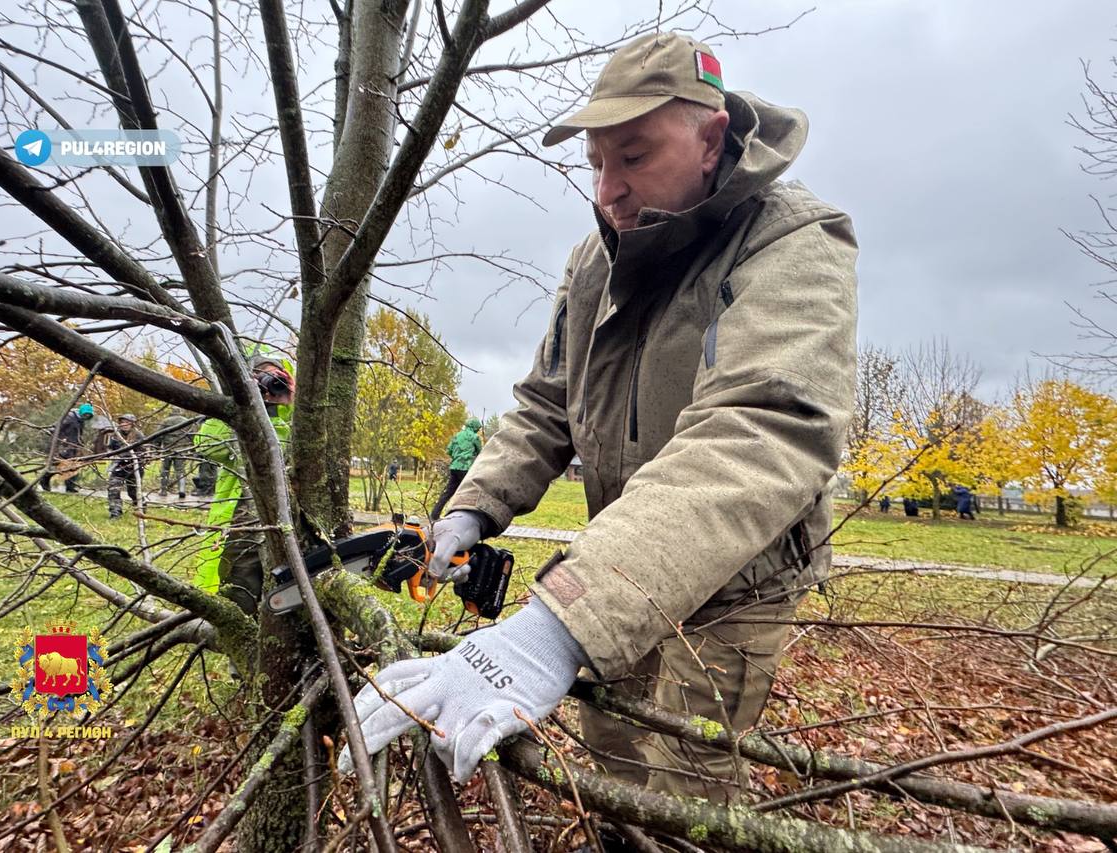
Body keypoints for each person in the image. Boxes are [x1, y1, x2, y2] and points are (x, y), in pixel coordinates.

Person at [343, 32, 858, 813]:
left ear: (712, 138)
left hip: (736, 579)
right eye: (595, 163)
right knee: (609, 752)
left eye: (635, 157)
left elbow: (762, 429)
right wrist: (471, 511)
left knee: (687, 777)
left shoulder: (791, 240)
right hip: (622, 551)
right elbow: (548, 402)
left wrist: (552, 628)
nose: (607, 189)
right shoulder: (596, 258)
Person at [192, 349, 294, 612]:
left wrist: (291, 400)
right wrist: (234, 403)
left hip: (289, 529)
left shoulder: (296, 427)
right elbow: (205, 445)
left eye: (276, 378)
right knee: (240, 598)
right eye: (262, 378)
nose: (270, 385)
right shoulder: (239, 426)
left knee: (286, 599)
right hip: (243, 527)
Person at [428, 418, 483, 520]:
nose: (478, 430)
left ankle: (434, 515)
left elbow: (448, 450)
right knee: (469, 492)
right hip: (466, 468)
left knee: (448, 492)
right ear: (474, 427)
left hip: (454, 467)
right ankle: (466, 517)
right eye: (478, 428)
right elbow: (481, 452)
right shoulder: (475, 437)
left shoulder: (457, 436)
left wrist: (457, 456)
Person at [39, 402, 94, 493]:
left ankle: (70, 486)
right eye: (86, 414)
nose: (86, 416)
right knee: (58, 465)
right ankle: (44, 480)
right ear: (81, 412)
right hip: (63, 445)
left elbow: (78, 434)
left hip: (73, 446)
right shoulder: (69, 417)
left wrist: (80, 444)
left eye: (88, 415)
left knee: (74, 466)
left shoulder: (81, 420)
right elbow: (57, 426)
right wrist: (52, 432)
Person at [100, 413, 147, 519]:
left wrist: (136, 459)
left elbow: (144, 452)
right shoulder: (116, 435)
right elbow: (111, 448)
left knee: (134, 492)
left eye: (127, 422)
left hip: (134, 467)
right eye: (122, 422)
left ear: (132, 424)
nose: (124, 425)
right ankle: (115, 512)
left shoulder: (138, 435)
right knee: (113, 489)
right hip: (119, 466)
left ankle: (141, 509)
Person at [155, 410, 194, 499]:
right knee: (180, 470)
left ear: (171, 412)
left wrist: (156, 448)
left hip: (168, 449)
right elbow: (192, 435)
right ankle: (182, 490)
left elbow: (158, 435)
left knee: (165, 469)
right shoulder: (186, 421)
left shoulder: (166, 421)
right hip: (182, 449)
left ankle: (163, 490)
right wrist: (193, 448)